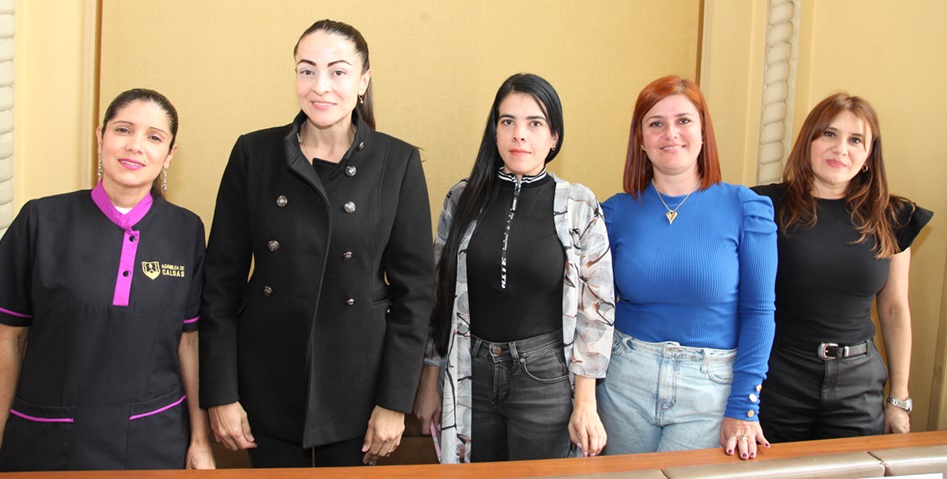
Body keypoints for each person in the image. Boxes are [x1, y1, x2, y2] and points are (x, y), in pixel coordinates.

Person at [199, 19, 435, 467]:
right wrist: (221, 393)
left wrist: (394, 401)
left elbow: (415, 296)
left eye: (338, 71)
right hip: (265, 383)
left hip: (359, 390)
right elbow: (220, 285)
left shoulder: (397, 162)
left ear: (364, 81)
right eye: (306, 70)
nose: (320, 86)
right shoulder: (254, 155)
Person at [0, 88, 214, 472]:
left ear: (169, 155)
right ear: (100, 137)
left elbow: (190, 342)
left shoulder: (187, 230)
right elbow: (10, 340)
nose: (135, 146)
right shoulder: (41, 221)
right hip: (48, 440)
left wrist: (200, 443)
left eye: (154, 137)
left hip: (154, 440)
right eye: (123, 130)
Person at [413, 73, 615, 463]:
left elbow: (597, 308)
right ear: (495, 131)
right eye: (508, 122)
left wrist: (585, 401)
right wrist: (430, 381)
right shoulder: (461, 198)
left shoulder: (578, 205)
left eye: (534, 123)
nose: (519, 135)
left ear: (554, 136)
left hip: (544, 378)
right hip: (470, 371)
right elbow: (438, 296)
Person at [596, 76, 777, 460]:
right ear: (641, 140)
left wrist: (745, 405)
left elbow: (760, 312)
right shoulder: (613, 213)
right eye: (656, 123)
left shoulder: (746, 208)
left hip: (710, 388)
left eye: (684, 121)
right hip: (625, 381)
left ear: (703, 132)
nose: (670, 133)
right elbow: (593, 307)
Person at [752, 93, 932, 442]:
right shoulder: (764, 206)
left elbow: (894, 309)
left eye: (855, 140)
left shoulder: (893, 217)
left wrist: (899, 398)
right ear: (809, 142)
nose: (841, 149)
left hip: (858, 384)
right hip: (779, 375)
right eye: (829, 134)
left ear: (868, 156)